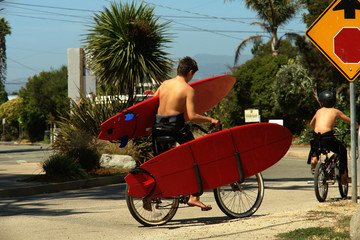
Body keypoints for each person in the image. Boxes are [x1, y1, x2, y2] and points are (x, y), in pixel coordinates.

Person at [148, 56, 219, 211]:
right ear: (190, 72)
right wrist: (211, 119)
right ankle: (194, 197)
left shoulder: (164, 84)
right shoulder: (188, 89)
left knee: (161, 164)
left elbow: (153, 104)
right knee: (197, 157)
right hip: (175, 129)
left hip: (158, 128)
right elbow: (192, 116)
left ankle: (150, 194)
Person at [308, 90, 356, 184]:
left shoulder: (318, 111)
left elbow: (311, 124)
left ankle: (314, 158)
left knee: (315, 144)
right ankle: (343, 176)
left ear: (321, 103)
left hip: (317, 138)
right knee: (342, 150)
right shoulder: (336, 111)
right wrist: (357, 127)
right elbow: (351, 122)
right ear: (334, 102)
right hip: (328, 138)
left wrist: (315, 129)